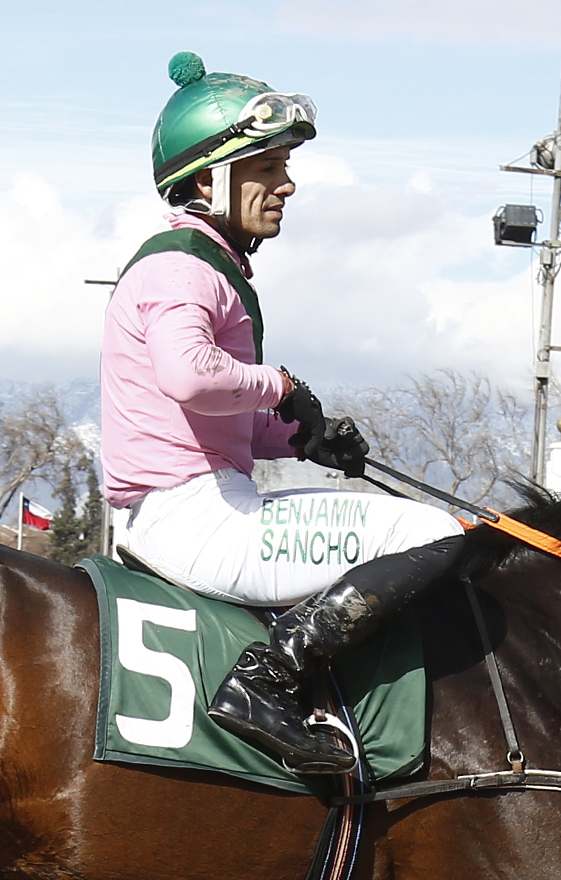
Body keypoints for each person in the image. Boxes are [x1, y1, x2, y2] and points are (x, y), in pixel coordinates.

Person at [102, 52, 469, 774]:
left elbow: (222, 419)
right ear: (208, 179)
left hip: (199, 504)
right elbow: (189, 375)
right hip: (196, 517)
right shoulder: (180, 268)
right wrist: (280, 385)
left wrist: (304, 439)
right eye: (268, 168)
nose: (287, 185)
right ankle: (269, 681)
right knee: (433, 534)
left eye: (285, 167)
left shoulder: (205, 265)